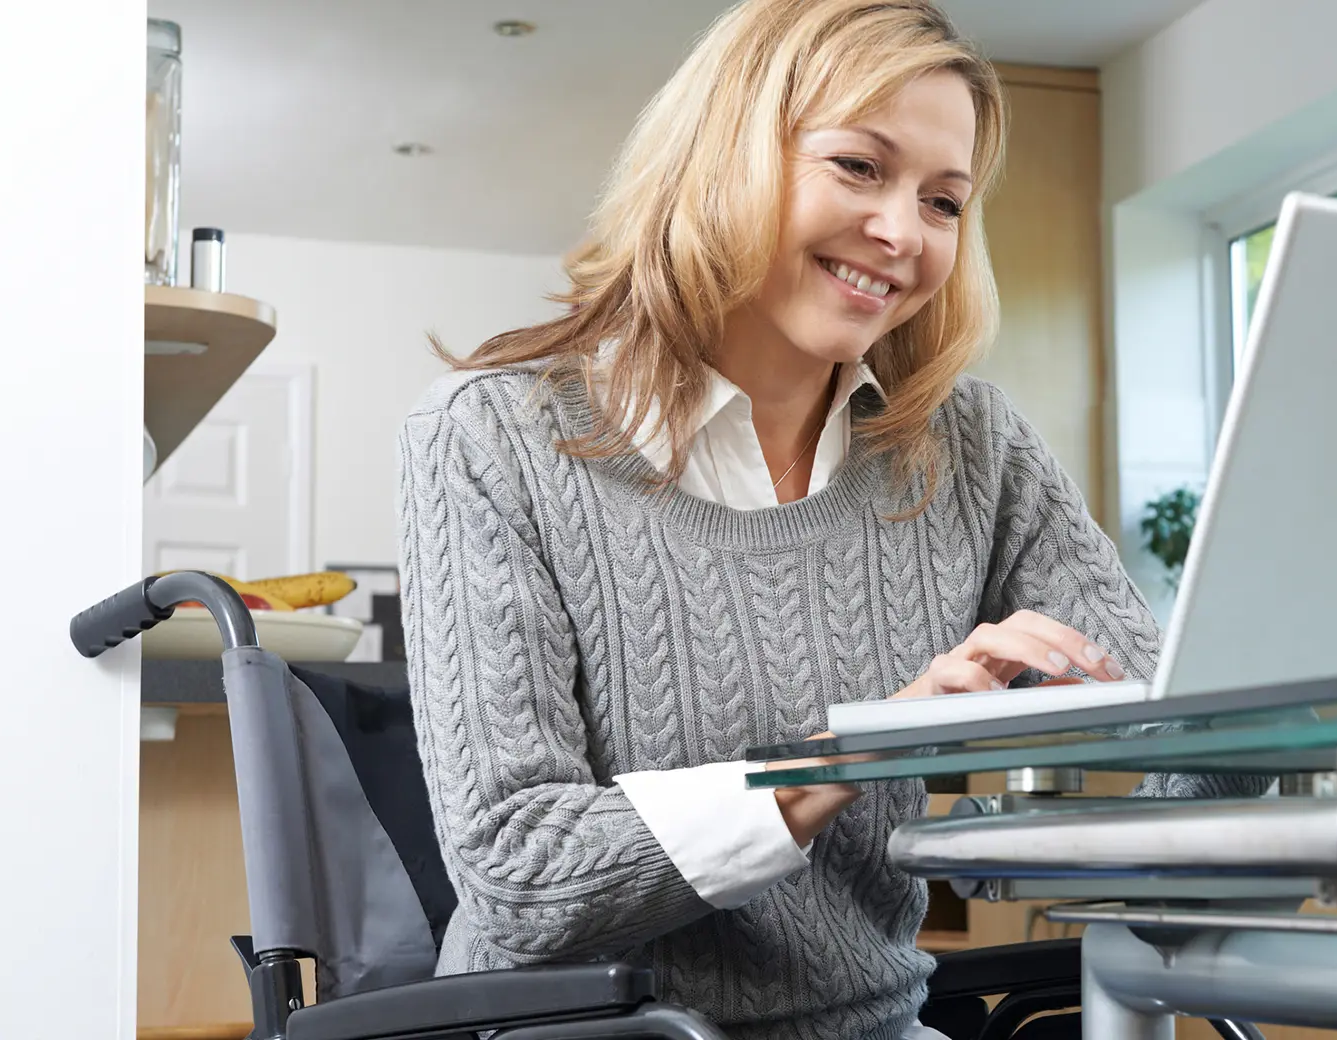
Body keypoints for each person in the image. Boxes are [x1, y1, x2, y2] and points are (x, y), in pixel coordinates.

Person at [395, 2, 1267, 1038]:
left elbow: (1176, 757)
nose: (902, 234)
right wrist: (854, 756)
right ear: (725, 157)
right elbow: (521, 874)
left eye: (944, 200)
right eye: (860, 167)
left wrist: (1266, 695)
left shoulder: (971, 444)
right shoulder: (489, 434)